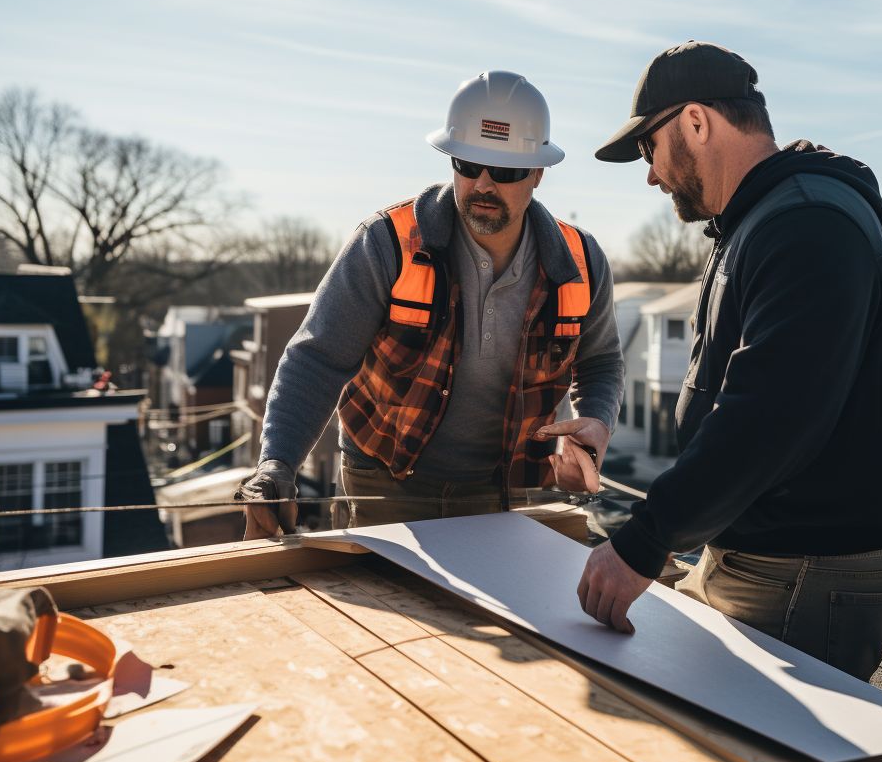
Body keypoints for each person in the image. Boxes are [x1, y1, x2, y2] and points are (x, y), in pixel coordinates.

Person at [579, 41, 882, 682]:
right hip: (763, 559)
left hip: (802, 573)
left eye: (648, 150)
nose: (650, 174)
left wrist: (645, 539)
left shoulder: (808, 225)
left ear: (696, 122)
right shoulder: (763, 220)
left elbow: (769, 416)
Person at [239, 71, 624, 538]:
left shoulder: (580, 263)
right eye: (467, 164)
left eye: (504, 172)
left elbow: (601, 361)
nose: (483, 184)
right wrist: (276, 463)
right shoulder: (387, 244)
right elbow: (318, 359)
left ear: (538, 174)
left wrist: (597, 424)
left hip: (505, 488)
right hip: (384, 481)